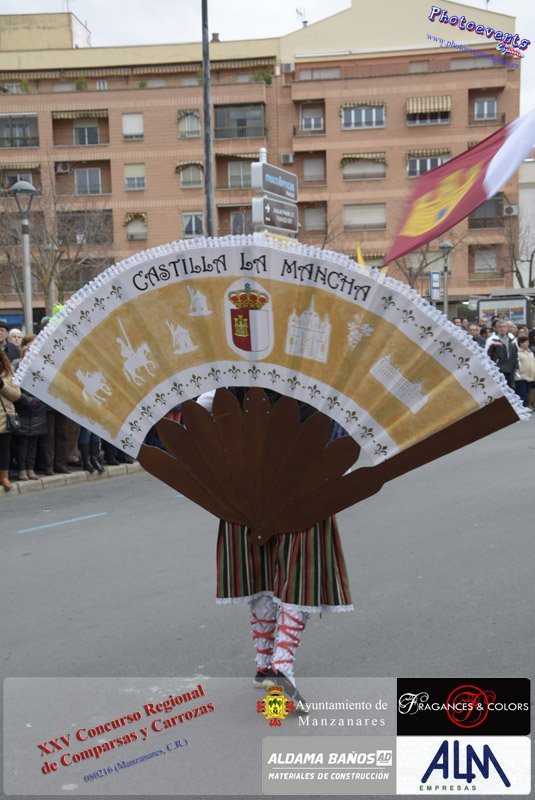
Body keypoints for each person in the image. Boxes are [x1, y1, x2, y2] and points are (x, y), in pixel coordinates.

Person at [209, 388, 352, 703]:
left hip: (245, 484)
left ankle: (264, 664)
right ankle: (281, 664)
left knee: (259, 571)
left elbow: (208, 412)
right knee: (301, 574)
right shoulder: (312, 376)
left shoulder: (233, 372)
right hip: (302, 481)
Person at [13, 345, 48, 480]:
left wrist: (38, 401)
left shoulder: (41, 372)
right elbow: (14, 391)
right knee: (22, 443)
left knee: (33, 444)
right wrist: (27, 400)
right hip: (23, 411)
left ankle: (30, 468)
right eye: (27, 355)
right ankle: (21, 469)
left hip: (38, 412)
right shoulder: (17, 372)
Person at [0, 349, 21, 491]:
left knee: (4, 449)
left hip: (5, 417)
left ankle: (4, 477)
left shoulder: (9, 372)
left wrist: (2, 386)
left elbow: (16, 395)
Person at [486, 320, 519, 388]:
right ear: (497, 328)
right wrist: (489, 368)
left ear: (507, 328)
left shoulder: (513, 339)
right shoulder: (492, 340)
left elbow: (516, 354)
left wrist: (517, 366)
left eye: (504, 326)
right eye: (500, 327)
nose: (502, 328)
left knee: (510, 389)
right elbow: (486, 355)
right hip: (498, 369)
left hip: (510, 369)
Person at [515, 336, 535, 409]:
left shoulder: (530, 352)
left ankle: (528, 406)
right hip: (521, 377)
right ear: (521, 343)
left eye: (528, 342)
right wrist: (518, 374)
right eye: (526, 342)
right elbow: (515, 365)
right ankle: (522, 408)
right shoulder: (517, 353)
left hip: (531, 376)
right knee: (522, 393)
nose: (528, 344)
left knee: (529, 393)